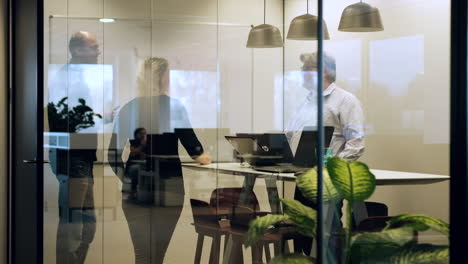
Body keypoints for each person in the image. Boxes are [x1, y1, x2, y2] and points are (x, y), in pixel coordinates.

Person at [108, 57, 211, 264]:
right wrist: (204, 157)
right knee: (157, 254)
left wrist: (128, 181)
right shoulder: (174, 107)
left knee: (143, 254)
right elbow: (195, 150)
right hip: (169, 187)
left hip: (136, 189)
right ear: (162, 78)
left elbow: (112, 155)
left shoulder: (129, 108)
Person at [287, 52, 365, 257]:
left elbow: (356, 144)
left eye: (307, 69)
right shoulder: (305, 102)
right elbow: (290, 136)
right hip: (302, 175)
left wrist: (331, 168)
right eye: (302, 69)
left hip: (327, 179)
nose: (302, 73)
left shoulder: (346, 101)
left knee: (327, 235)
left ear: (326, 71)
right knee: (302, 231)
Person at [48, 31, 101, 264]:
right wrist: (102, 117)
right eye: (94, 47)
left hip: (82, 159)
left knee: (86, 228)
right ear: (78, 50)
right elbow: (68, 120)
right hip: (72, 159)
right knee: (73, 229)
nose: (98, 51)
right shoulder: (68, 78)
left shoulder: (76, 78)